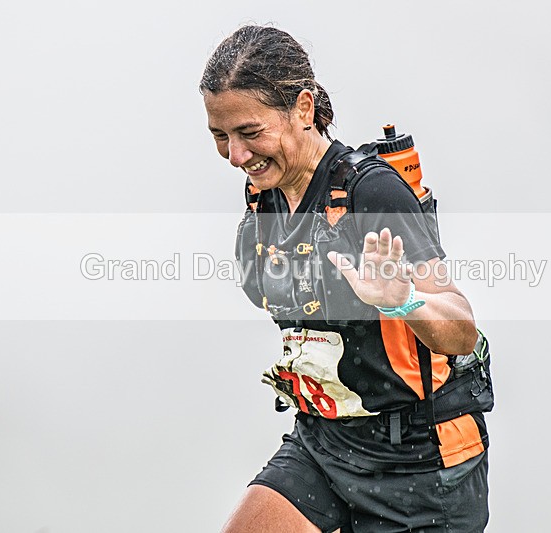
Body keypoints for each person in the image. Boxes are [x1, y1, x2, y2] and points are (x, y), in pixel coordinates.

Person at [200, 25, 492, 533]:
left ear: (304, 109)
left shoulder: (371, 192)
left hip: (419, 467)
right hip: (324, 443)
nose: (236, 156)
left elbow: (460, 329)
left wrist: (401, 301)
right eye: (220, 137)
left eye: (249, 133)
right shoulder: (263, 194)